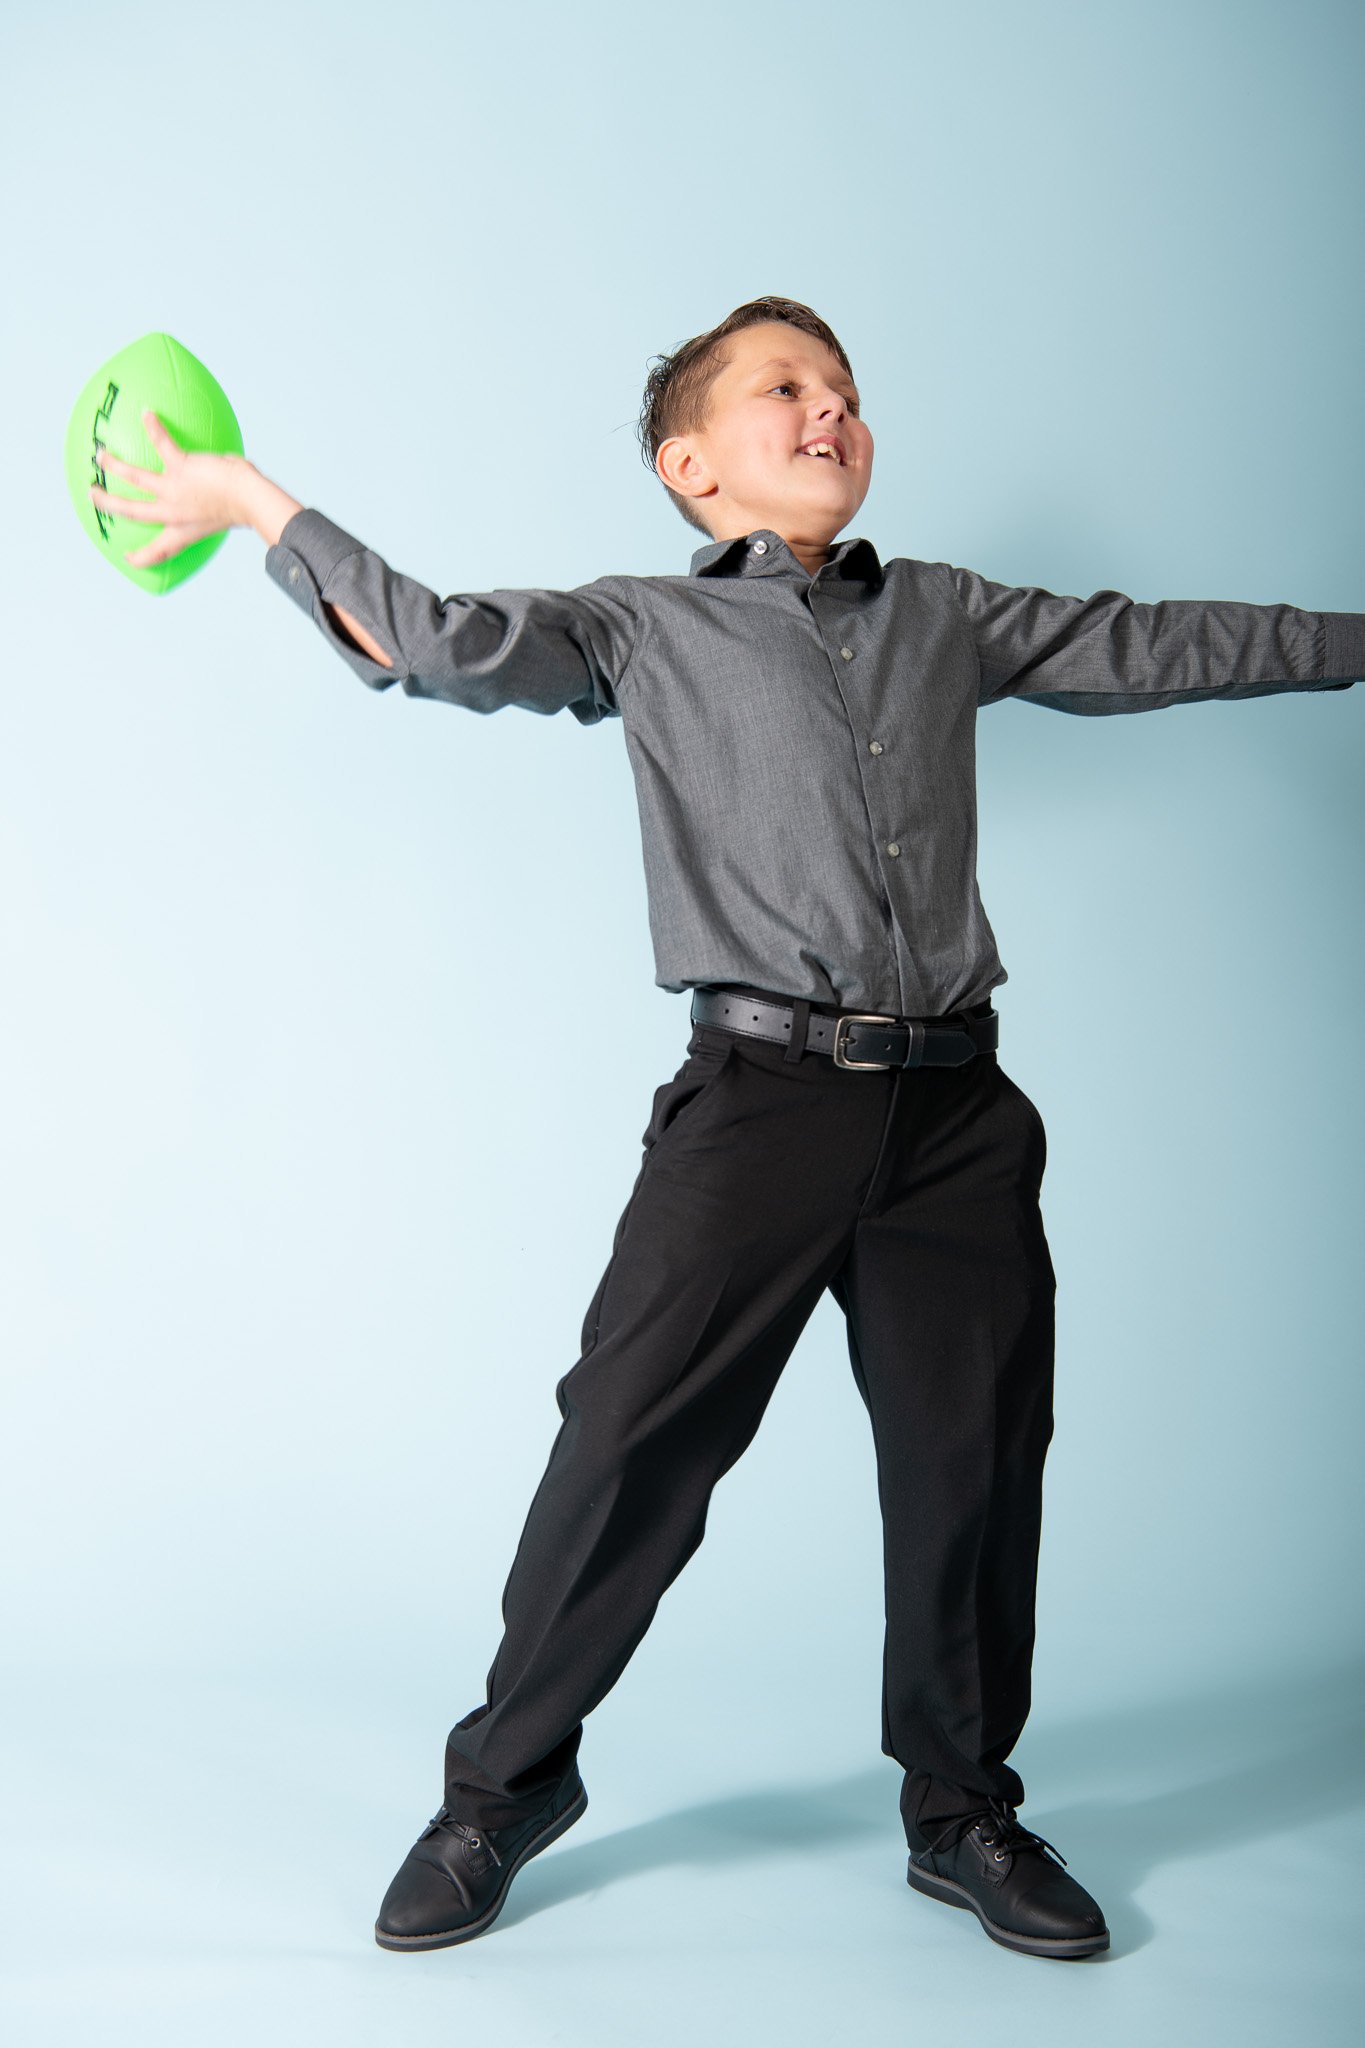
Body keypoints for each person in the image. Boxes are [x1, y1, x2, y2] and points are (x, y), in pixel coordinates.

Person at [90, 295, 1363, 1962]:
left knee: (971, 1469)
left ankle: (961, 1808)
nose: (828, 409)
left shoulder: (945, 614)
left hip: (958, 1115)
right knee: (624, 1448)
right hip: (753, 1105)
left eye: (844, 390)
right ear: (693, 465)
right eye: (785, 389)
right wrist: (260, 502)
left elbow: (1165, 641)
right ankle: (501, 1792)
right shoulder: (634, 628)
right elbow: (432, 640)